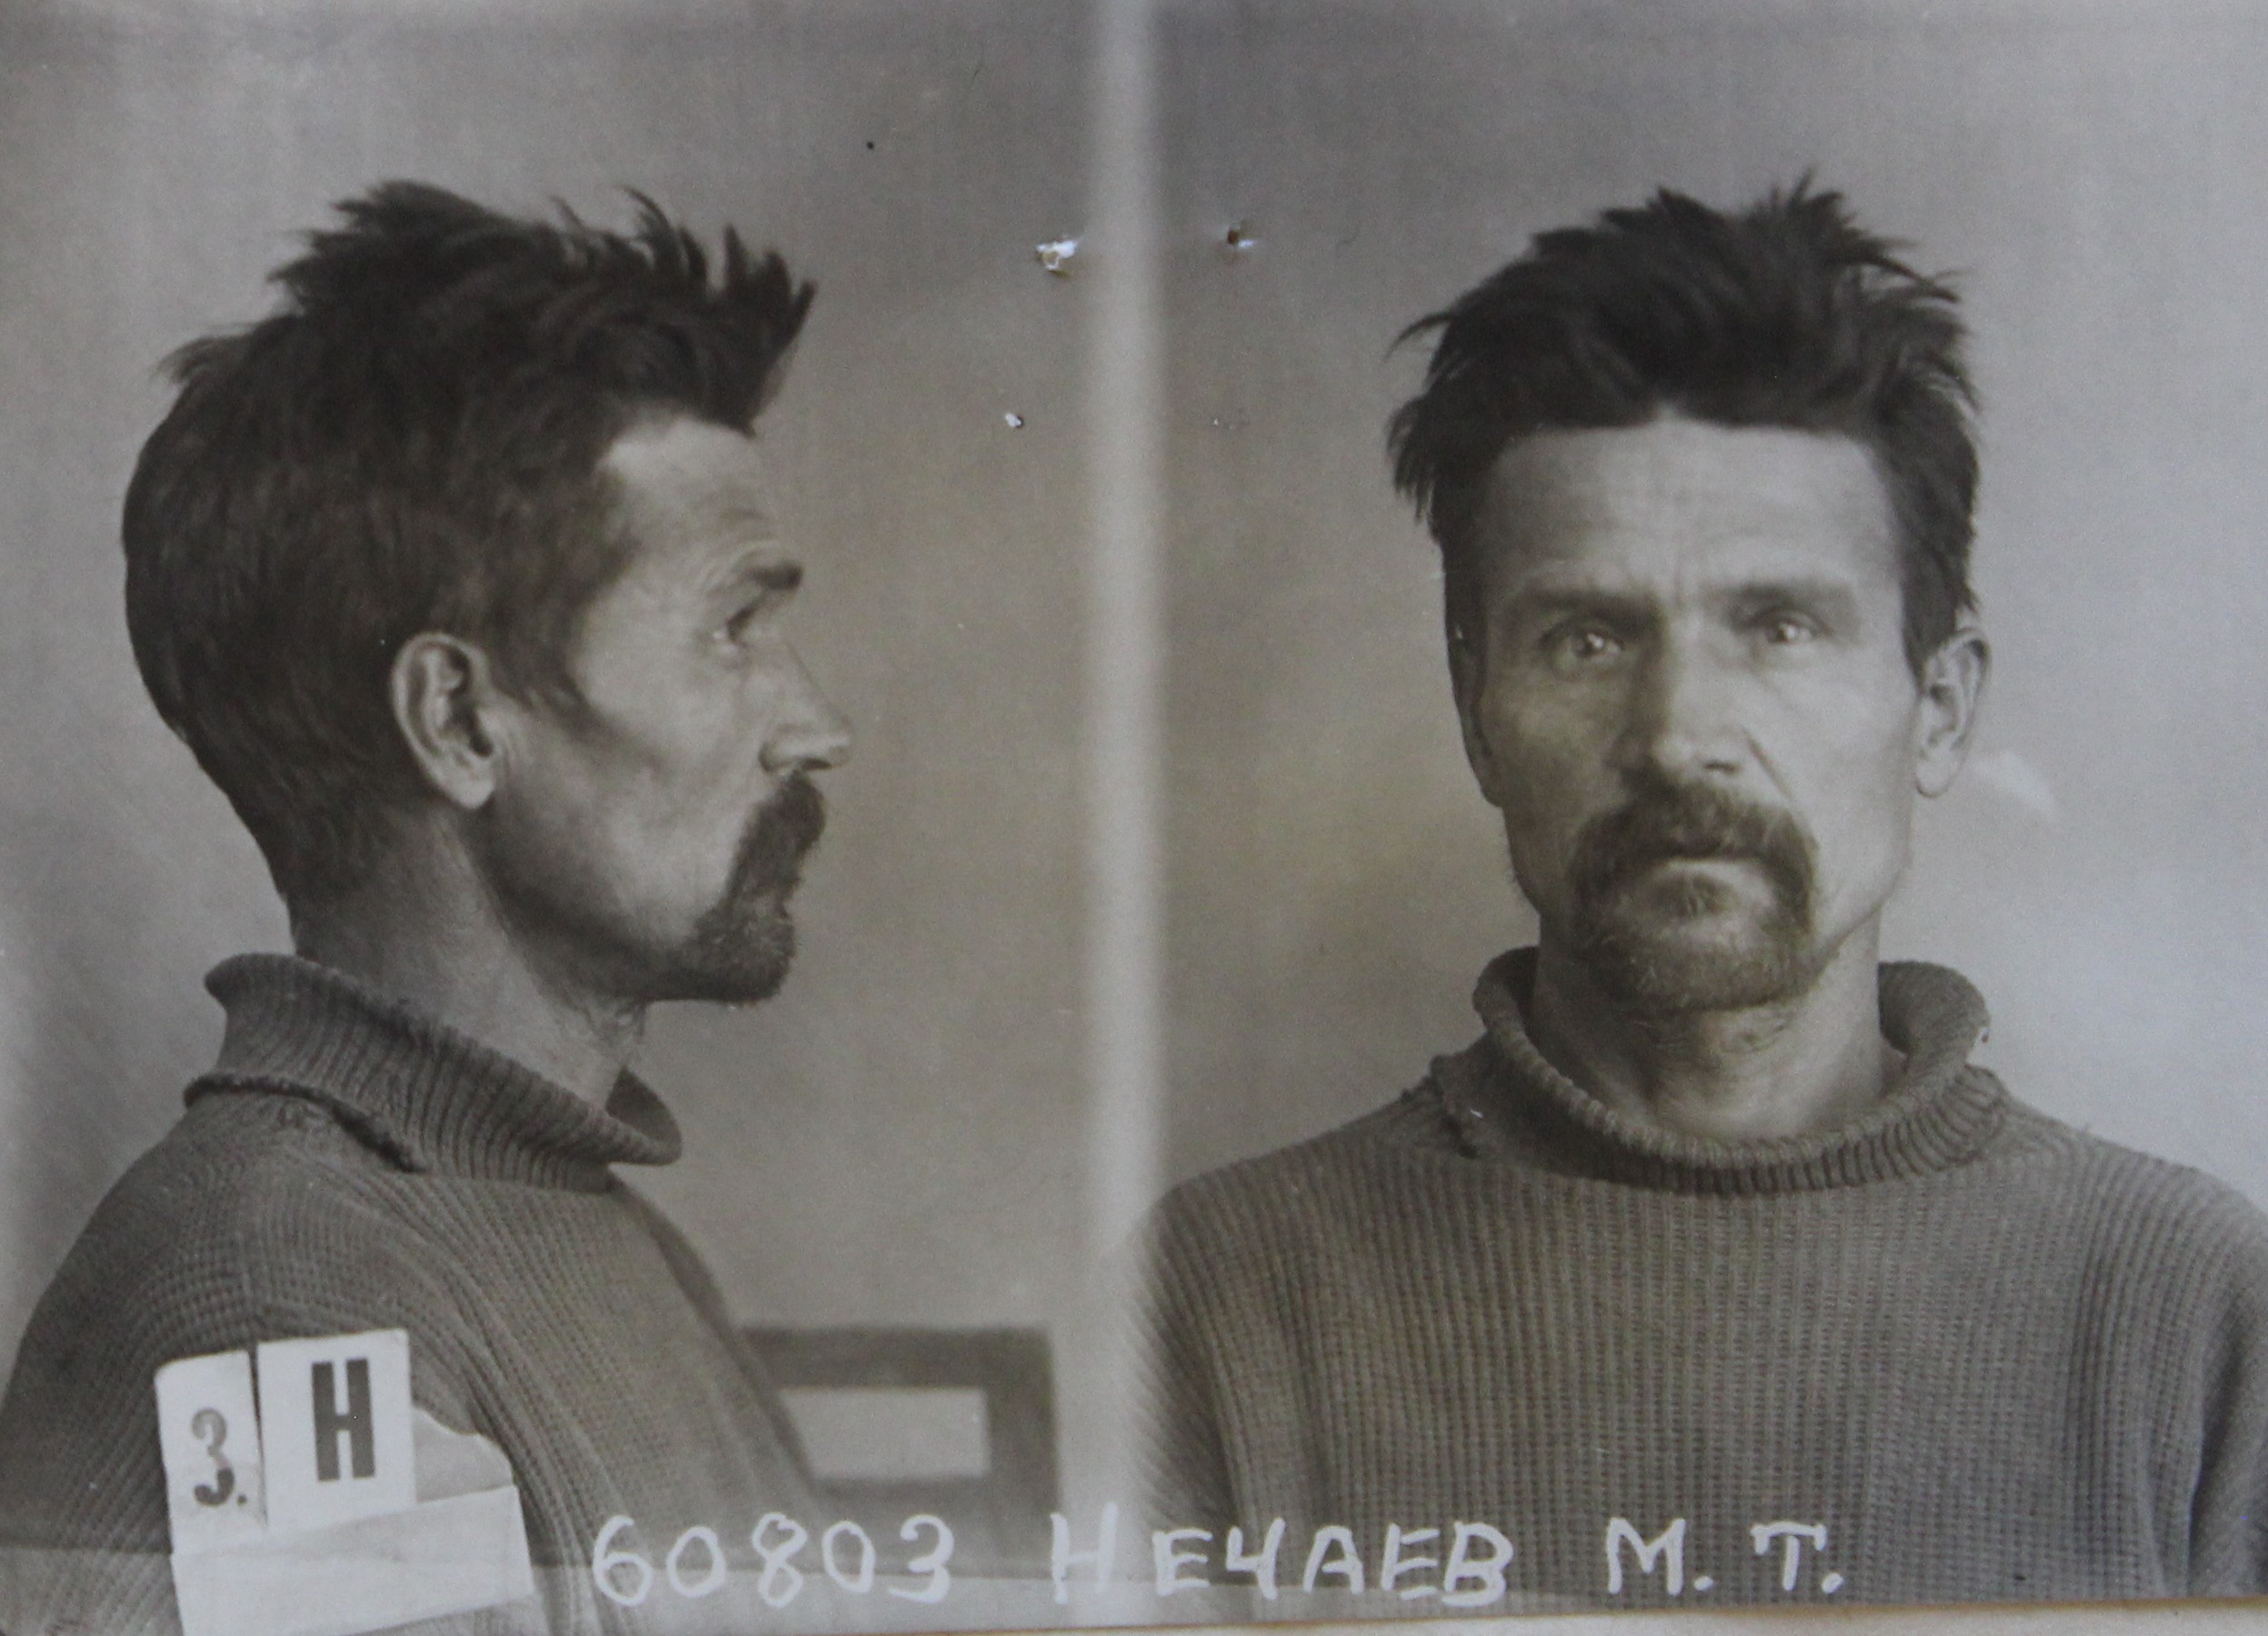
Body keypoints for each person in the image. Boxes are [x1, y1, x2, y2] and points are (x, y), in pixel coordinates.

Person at [1138, 185, 2268, 1609]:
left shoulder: (2196, 1313)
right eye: (1586, 638)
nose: (1677, 737)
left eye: (1779, 627)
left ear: (1936, 707)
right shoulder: (1215, 1300)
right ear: (1476, 712)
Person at [0, 182, 850, 1631]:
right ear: (458, 720)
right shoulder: (279, 1298)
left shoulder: (606, 1234)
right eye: (732, 628)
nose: (816, 725)